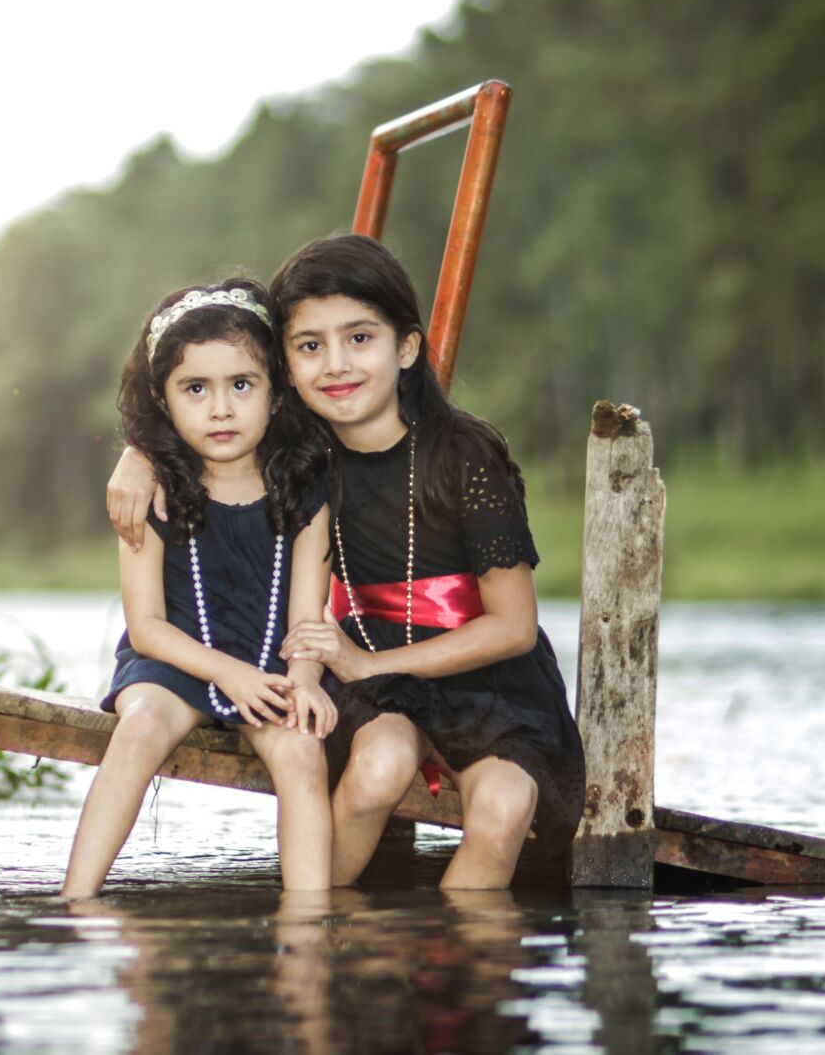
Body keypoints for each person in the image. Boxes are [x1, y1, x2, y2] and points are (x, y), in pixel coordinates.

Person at [107, 236, 585, 889]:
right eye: (309, 347)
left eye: (360, 338)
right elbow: (194, 406)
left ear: (406, 347)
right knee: (379, 766)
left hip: (483, 675)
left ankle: (457, 978)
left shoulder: (465, 456)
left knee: (504, 809)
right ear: (286, 369)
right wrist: (138, 452)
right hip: (370, 673)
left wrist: (368, 665)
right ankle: (312, 940)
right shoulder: (303, 448)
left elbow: (514, 627)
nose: (336, 365)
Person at [62, 278, 337, 898]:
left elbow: (305, 618)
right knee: (138, 731)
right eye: (195, 389)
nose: (221, 409)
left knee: (301, 751)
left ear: (276, 392)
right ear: (164, 401)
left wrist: (305, 682)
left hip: (270, 662)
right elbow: (146, 628)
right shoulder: (154, 491)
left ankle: (309, 926)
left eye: (242, 385)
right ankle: (76, 900)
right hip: (173, 662)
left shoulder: (304, 492)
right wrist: (225, 674)